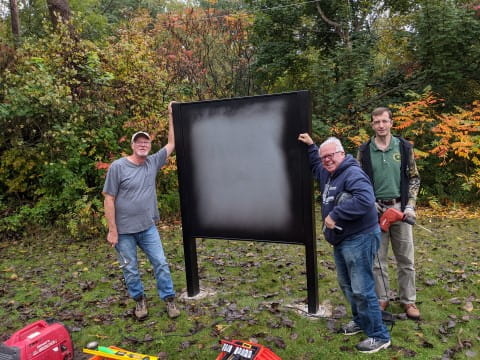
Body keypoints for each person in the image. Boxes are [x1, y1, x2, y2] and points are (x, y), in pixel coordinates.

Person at [298, 134, 391, 354]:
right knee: (347, 285)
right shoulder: (327, 172)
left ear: (342, 153)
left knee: (362, 288)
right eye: (324, 157)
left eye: (331, 156)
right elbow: (315, 162)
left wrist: (336, 215)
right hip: (342, 239)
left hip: (360, 237)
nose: (327, 160)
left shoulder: (352, 173)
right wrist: (312, 146)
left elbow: (365, 199)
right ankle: (360, 321)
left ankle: (379, 335)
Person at [102, 102, 180, 320]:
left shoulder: (152, 163)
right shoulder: (118, 166)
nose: (143, 145)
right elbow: (109, 198)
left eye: (146, 142)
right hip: (124, 231)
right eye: (139, 142)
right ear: (132, 145)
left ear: (149, 145)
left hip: (147, 228)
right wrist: (112, 230)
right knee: (130, 269)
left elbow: (172, 143)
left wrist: (170, 114)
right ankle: (139, 300)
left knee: (161, 263)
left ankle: (169, 298)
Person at [357, 107, 421, 320]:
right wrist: (369, 203)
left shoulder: (404, 147)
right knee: (377, 259)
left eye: (384, 121)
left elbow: (414, 178)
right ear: (372, 125)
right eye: (377, 122)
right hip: (375, 212)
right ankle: (381, 298)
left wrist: (410, 205)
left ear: (391, 123)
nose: (381, 126)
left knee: (406, 259)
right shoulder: (364, 150)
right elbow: (358, 182)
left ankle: (408, 301)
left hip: (401, 210)